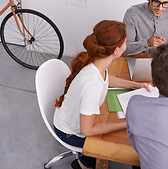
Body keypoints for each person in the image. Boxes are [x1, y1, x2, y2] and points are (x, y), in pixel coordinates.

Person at [53, 20, 148, 169]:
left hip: (74, 120)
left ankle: (84, 162)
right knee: (122, 142)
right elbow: (87, 130)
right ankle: (85, 163)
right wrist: (126, 123)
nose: (126, 45)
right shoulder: (93, 85)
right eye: (124, 42)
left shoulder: (98, 62)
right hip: (69, 133)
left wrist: (137, 85)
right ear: (116, 50)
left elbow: (107, 79)